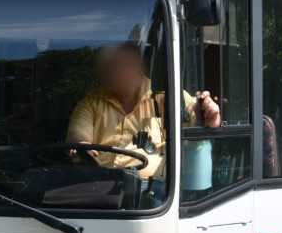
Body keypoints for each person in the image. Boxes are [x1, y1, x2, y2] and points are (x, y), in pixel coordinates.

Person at [65, 43, 220, 198]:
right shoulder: (92, 103)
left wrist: (211, 115)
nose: (111, 71)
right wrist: (81, 146)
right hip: (102, 188)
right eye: (106, 67)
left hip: (157, 191)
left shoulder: (169, 95)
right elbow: (77, 136)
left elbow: (207, 121)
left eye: (118, 64)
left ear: (136, 63)